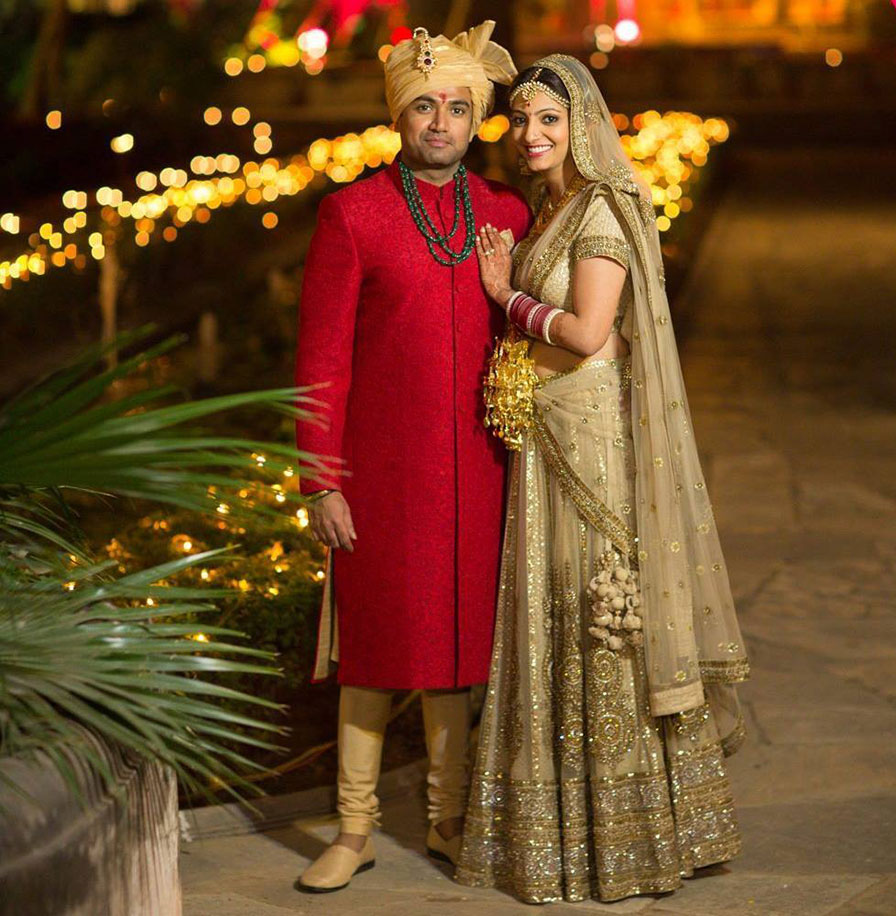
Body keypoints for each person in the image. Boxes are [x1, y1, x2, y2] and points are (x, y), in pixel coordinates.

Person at [454, 55, 750, 904]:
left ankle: (627, 838)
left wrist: (506, 296)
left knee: (598, 614)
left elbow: (589, 332)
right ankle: (558, 833)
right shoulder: (552, 208)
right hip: (547, 432)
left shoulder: (601, 210)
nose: (532, 134)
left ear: (582, 124)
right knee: (547, 607)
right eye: (522, 119)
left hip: (588, 442)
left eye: (549, 119)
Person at [293, 22, 531, 894]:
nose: (441, 122)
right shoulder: (352, 215)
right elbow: (320, 361)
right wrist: (322, 479)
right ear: (399, 115)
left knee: (458, 652)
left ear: (476, 120)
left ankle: (448, 817)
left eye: (458, 108)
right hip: (382, 477)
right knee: (373, 647)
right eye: (425, 106)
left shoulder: (508, 213)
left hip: (484, 471)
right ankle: (354, 827)